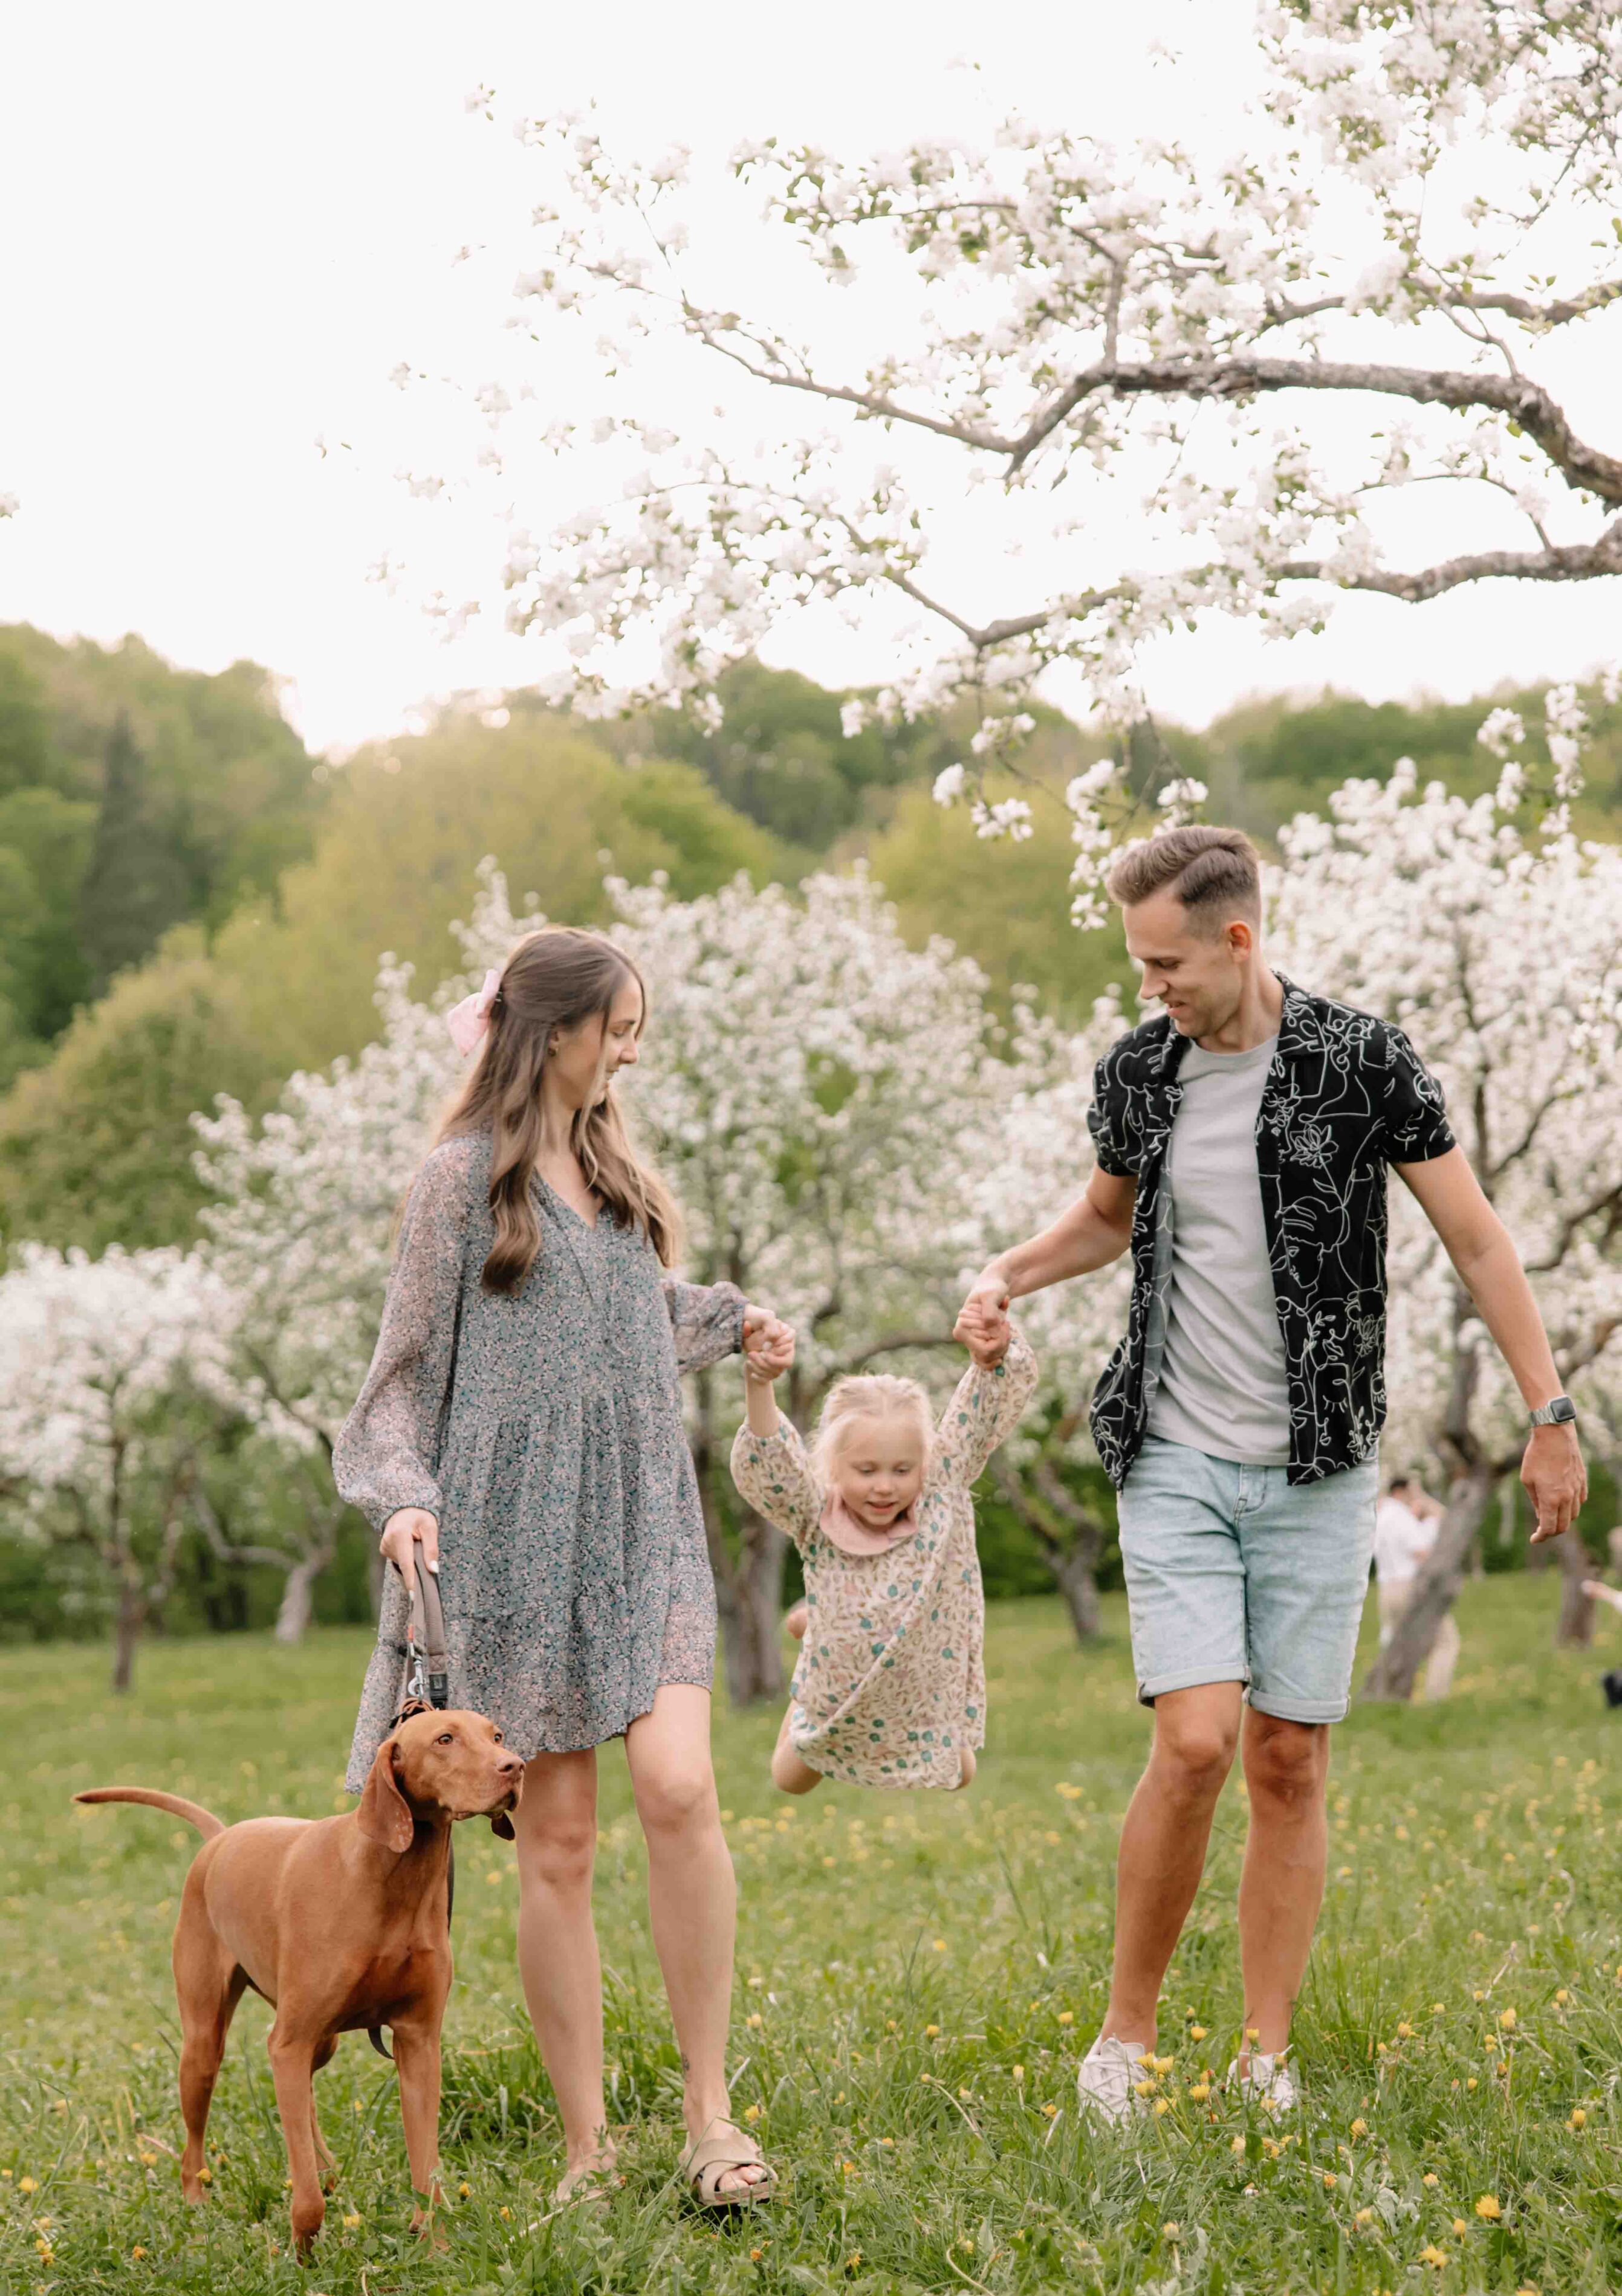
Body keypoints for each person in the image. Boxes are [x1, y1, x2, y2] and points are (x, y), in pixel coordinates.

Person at [956, 824, 1586, 2121]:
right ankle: (1123, 2041)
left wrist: (1550, 1409)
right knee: (1193, 1743)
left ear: (1238, 938)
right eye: (1139, 962)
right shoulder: (1141, 1071)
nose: (1151, 986)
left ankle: (1264, 2052)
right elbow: (1106, 1216)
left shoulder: (1362, 1061)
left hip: (1319, 1461)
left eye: (1167, 960)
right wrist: (1004, 1272)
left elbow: (1474, 1237)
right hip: (1174, 1447)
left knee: (1288, 1753)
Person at [333, 928, 794, 2211]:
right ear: (553, 1029)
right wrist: (403, 1499)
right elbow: (401, 1374)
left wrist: (730, 1319)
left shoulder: (616, 1174)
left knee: (682, 1787)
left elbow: (627, 1317)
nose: (632, 1048)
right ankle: (588, 2146)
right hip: (508, 1540)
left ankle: (710, 2116)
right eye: (621, 1025)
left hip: (642, 1523)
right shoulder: (457, 1182)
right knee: (559, 1838)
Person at [730, 1317, 1037, 1792]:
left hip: (919, 1691)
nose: (884, 1486)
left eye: (901, 1469)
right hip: (836, 1685)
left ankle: (815, 1620)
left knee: (959, 1775)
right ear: (833, 1467)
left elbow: (976, 1416)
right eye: (866, 1469)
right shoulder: (816, 1513)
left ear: (925, 1464)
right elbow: (772, 1465)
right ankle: (816, 1642)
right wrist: (759, 1386)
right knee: (790, 1780)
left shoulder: (938, 1496)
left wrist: (988, 1358)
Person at [1373, 1475, 1456, 1701]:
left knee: (1396, 1645)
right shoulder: (1399, 1516)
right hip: (1409, 1586)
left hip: (1386, 1588)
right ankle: (1435, 1699)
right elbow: (1421, 1551)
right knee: (1445, 1642)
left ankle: (1388, 1698)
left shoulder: (1380, 1516)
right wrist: (1423, 1500)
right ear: (1402, 1491)